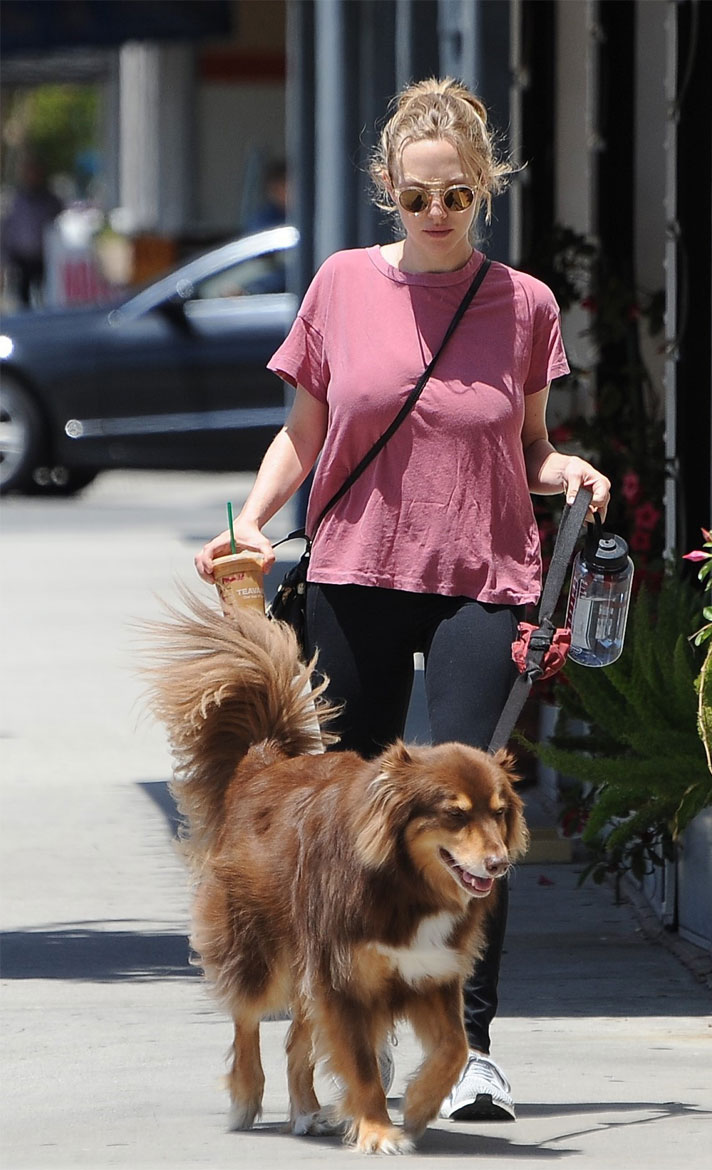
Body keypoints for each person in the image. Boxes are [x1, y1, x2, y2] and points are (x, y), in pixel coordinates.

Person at [196, 77, 610, 1122]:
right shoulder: (339, 285)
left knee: (478, 811)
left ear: (484, 192)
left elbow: (526, 446)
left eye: (456, 198)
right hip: (352, 574)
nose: (437, 215)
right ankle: (340, 1017)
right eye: (418, 197)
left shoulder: (522, 304)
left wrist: (570, 473)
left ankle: (469, 1047)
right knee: (341, 815)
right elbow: (305, 430)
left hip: (484, 578)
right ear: (387, 188)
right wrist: (252, 521)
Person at [0, 152, 63, 308]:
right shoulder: (15, 200)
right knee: (22, 301)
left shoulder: (51, 201)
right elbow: (7, 232)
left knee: (47, 297)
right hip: (21, 259)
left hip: (44, 258)